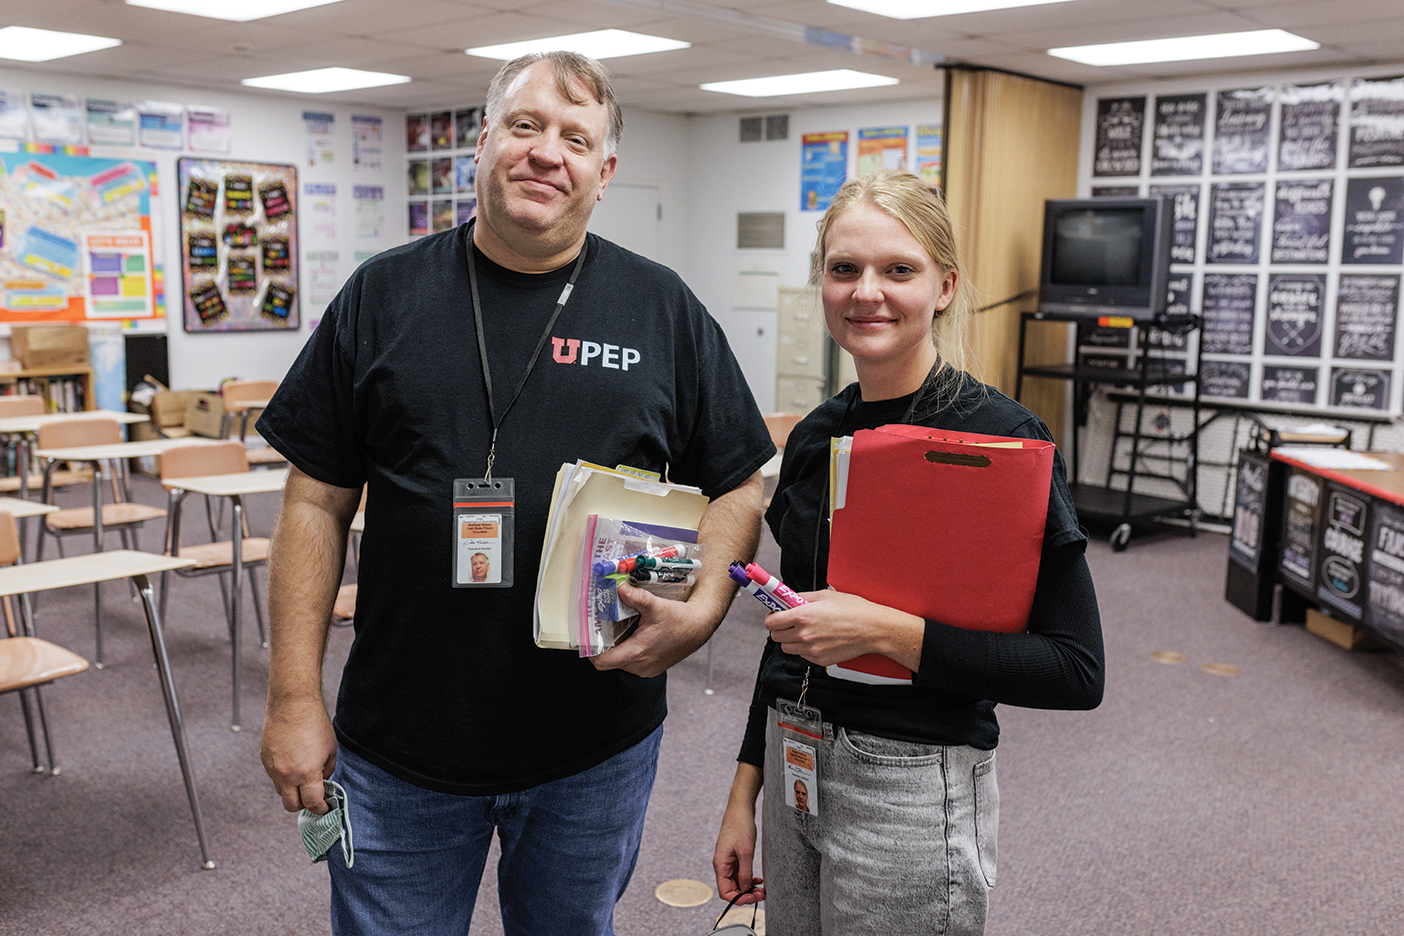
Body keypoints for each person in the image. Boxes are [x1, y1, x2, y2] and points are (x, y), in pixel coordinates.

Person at [257, 51, 775, 936]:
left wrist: (701, 606)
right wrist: (292, 697)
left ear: (604, 173)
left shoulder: (662, 309)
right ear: (483, 141)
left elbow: (739, 481)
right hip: (401, 748)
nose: (547, 154)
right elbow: (314, 505)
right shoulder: (382, 295)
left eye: (577, 138)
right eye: (527, 126)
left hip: (593, 746)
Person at [712, 169, 1105, 936]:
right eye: (844, 269)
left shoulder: (1004, 441)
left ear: (945, 286)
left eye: (899, 270)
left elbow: (1075, 669)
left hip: (913, 784)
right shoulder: (817, 437)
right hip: (795, 765)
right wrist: (743, 792)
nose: (868, 293)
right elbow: (790, 629)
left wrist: (887, 633)